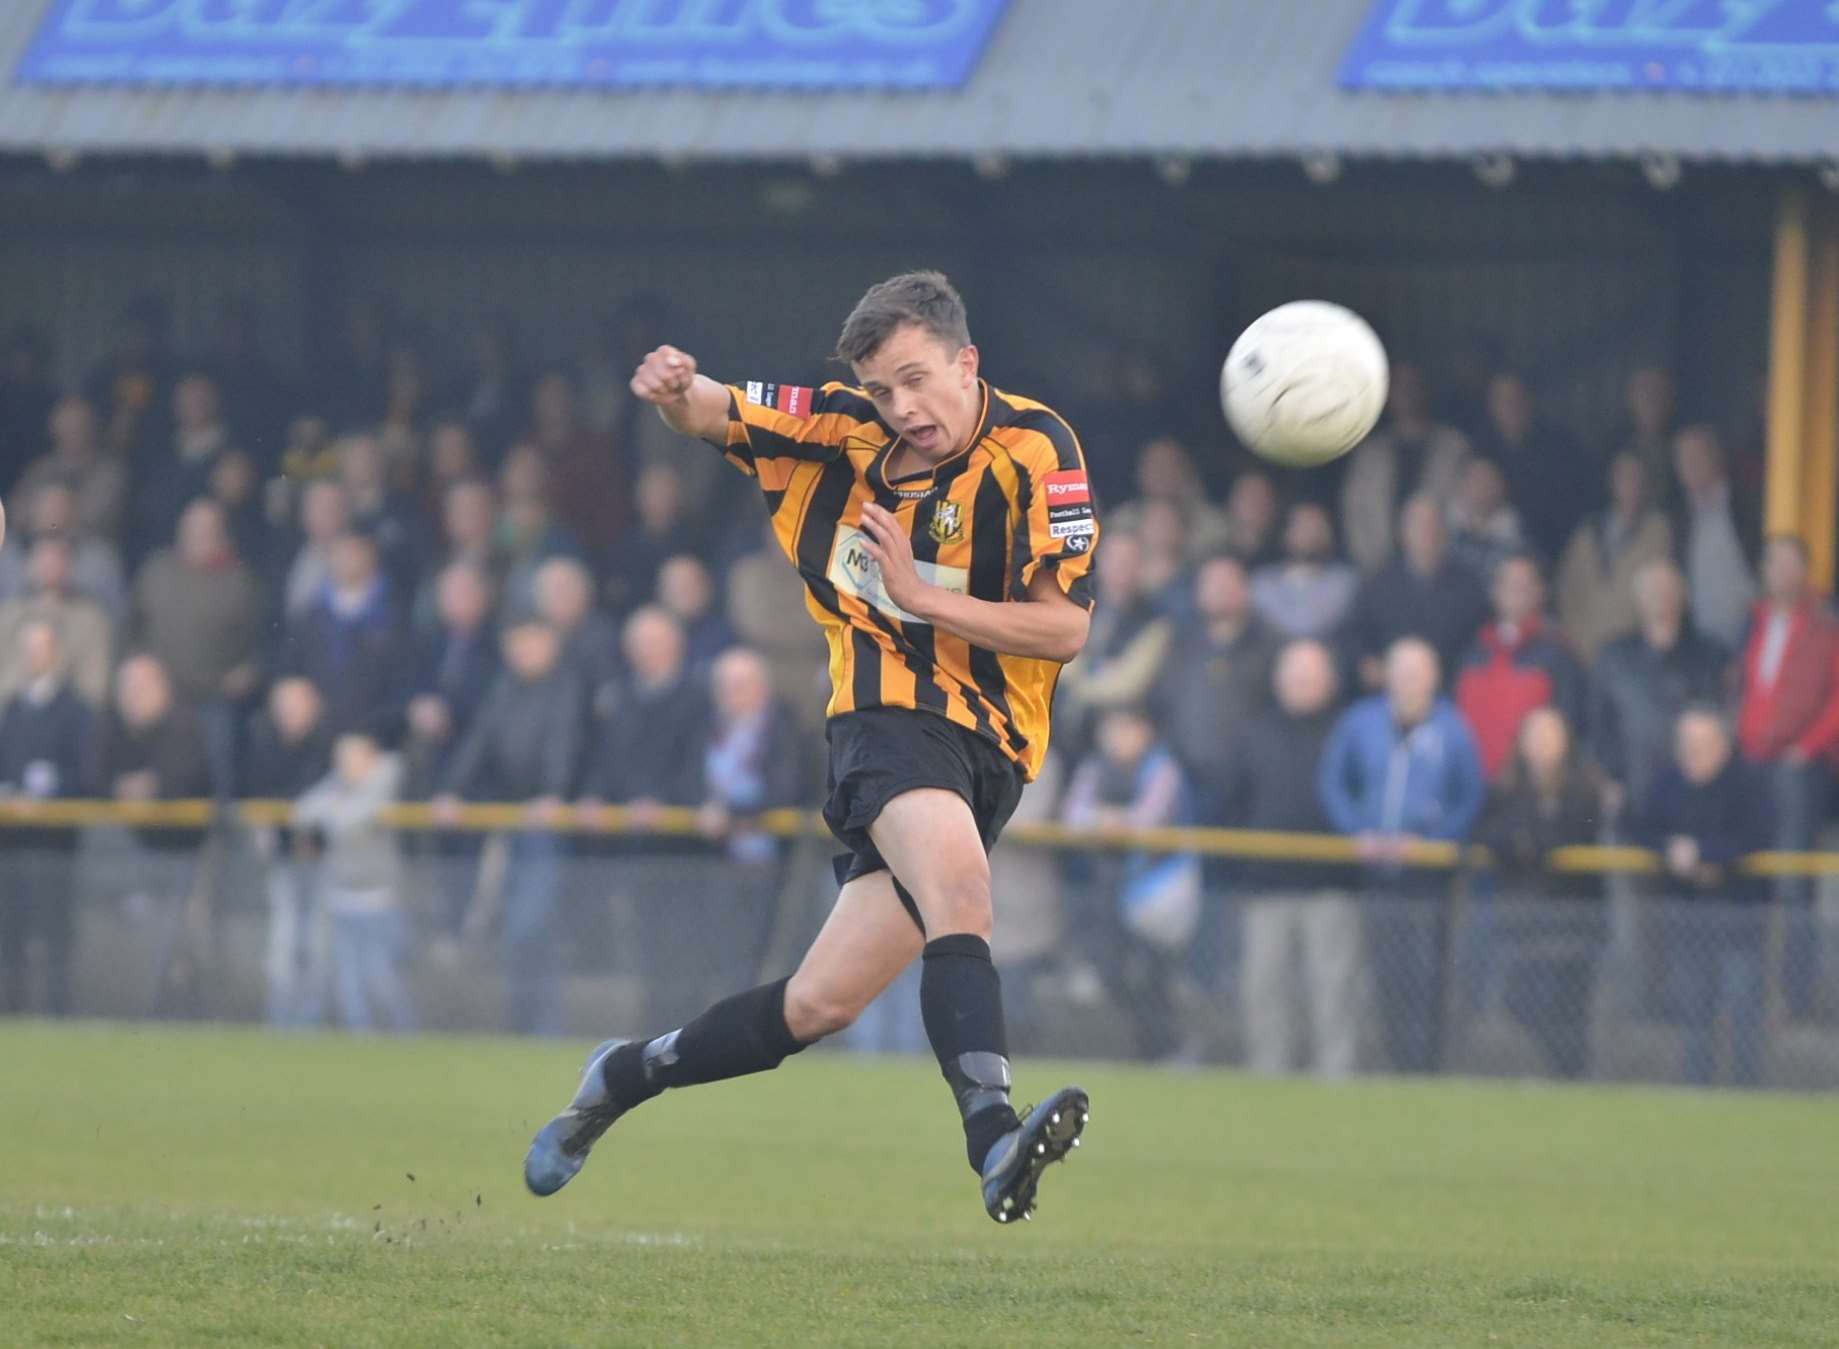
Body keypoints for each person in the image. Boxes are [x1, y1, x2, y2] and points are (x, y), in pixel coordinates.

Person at [524, 271, 1098, 1226]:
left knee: (817, 1005)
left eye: (917, 380)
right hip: (885, 722)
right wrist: (675, 392)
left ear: (968, 362)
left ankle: (623, 1075)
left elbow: (1063, 630)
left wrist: (924, 598)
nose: (901, 407)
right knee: (960, 889)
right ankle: (993, 1136)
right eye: (881, 390)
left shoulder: (1040, 449)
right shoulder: (838, 431)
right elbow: (716, 410)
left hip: (993, 747)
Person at [1319, 638, 1485, 1074]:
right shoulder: (1361, 723)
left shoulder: (1453, 729)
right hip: (1376, 875)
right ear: (1387, 675)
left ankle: (1428, 1065)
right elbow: (1335, 782)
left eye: (1418, 672)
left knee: (1429, 975)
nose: (1409, 682)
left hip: (1428, 877)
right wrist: (1358, 832)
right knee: (1385, 974)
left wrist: (1436, 841)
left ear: (1433, 677)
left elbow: (1469, 796)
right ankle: (1395, 1062)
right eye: (1402, 671)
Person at [436, 621, 585, 1038]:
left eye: (531, 642)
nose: (523, 652)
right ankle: (523, 1028)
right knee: (517, 931)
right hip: (510, 823)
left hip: (547, 826)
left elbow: (565, 741)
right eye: (515, 644)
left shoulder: (565, 687)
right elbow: (479, 742)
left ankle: (546, 1030)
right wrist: (451, 790)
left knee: (534, 924)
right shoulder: (503, 689)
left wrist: (554, 794)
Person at [1226, 640, 1358, 1077]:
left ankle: (1336, 1076)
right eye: (1294, 675)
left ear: (1329, 682)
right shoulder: (1255, 731)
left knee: (1332, 990)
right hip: (1266, 887)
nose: (1300, 684)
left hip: (1330, 887)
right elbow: (1234, 801)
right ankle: (1269, 1074)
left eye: (1310, 676)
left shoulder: (1347, 730)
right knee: (1264, 989)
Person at [1633, 709, 1772, 1086]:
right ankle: (1697, 1089)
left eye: (1703, 745)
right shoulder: (1668, 782)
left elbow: (1759, 837)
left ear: (1723, 746)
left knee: (1743, 1007)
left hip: (1741, 916)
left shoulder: (1749, 781)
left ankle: (1746, 1089)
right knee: (1695, 1009)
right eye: (1686, 745)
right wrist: (1672, 851)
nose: (1694, 753)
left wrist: (1709, 857)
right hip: (1689, 913)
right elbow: (1639, 827)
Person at [1734, 535, 1839, 1020]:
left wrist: (1807, 748)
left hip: (1798, 769)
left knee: (1794, 883)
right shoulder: (1750, 624)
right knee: (1748, 875)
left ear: (1806, 572)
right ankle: (1749, 996)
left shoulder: (1825, 629)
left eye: (1789, 564)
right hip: (1751, 764)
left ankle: (1797, 999)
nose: (1779, 572)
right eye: (1772, 562)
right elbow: (1738, 688)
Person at [1062, 705, 1202, 1062]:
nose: (1119, 738)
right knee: (1113, 972)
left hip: (1154, 891)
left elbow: (1150, 818)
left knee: (1155, 976)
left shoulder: (1161, 768)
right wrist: (1107, 820)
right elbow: (1073, 815)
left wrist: (1110, 821)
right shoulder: (1095, 768)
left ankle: (1170, 1049)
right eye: (1113, 729)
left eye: (1128, 729)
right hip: (1109, 891)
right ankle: (1143, 1050)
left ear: (1146, 732)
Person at [1476, 708, 1605, 1079]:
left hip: (1575, 913)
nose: (1542, 744)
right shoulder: (1506, 786)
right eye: (1535, 735)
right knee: (1519, 999)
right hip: (1524, 914)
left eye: (1550, 735)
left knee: (1571, 1004)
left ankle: (1572, 1076)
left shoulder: (1583, 787)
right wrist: (1522, 845)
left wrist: (1530, 844)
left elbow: (1576, 836)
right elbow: (1489, 834)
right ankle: (1558, 1065)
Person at [0, 622, 92, 1016]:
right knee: (11, 931)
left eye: (40, 648)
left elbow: (84, 770)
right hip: (14, 840)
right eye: (27, 649)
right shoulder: (14, 708)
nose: (32, 657)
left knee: (55, 931)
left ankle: (56, 1012)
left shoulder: (75, 710)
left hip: (55, 841)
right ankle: (13, 1010)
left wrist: (50, 794)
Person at [295, 730, 414, 1035]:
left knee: (380, 976)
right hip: (340, 894)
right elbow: (303, 809)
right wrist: (333, 802)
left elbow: (348, 820)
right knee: (348, 978)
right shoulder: (338, 786)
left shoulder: (386, 783)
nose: (344, 765)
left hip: (378, 898)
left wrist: (333, 809)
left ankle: (405, 1034)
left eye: (350, 758)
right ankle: (361, 1038)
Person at [1590, 560, 1728, 819]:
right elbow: (1599, 723)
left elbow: (1721, 715)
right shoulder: (1614, 656)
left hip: (1695, 787)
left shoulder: (1710, 654)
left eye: (1667, 588)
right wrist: (1610, 776)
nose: (1659, 595)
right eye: (1651, 588)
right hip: (1632, 786)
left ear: (1683, 594)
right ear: (1637, 597)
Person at [1151, 552, 1280, 826]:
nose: (1218, 590)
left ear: (1245, 589)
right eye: (1210, 582)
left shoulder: (1270, 646)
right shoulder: (1181, 644)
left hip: (1252, 790)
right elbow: (1163, 703)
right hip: (1186, 785)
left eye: (1226, 581)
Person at [243, 678, 335, 1028]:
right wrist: (266, 832)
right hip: (283, 858)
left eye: (296, 707)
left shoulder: (327, 744)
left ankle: (311, 1019)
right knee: (282, 939)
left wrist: (308, 837)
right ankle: (280, 1017)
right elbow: (257, 795)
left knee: (316, 941)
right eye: (283, 708)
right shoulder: (266, 743)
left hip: (319, 859)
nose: (289, 715)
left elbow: (327, 800)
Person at [1454, 553, 1587, 781]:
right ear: (1495, 592)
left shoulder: (1557, 654)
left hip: (1527, 791)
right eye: (1509, 584)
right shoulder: (1473, 651)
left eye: (1526, 585)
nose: (1517, 593)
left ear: (1540, 593)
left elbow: (1569, 725)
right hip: (1471, 785)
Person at [1345, 493, 1490, 691]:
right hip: (1388, 691)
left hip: (1449, 692)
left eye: (1432, 523)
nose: (1425, 530)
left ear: (1444, 530)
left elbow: (1481, 641)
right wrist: (1367, 663)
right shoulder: (1379, 583)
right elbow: (1354, 634)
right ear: (1402, 531)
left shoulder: (1469, 585)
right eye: (1417, 523)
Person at [1341, 362, 1471, 575]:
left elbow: (1466, 510)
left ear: (1425, 390)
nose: (1407, 394)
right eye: (1399, 387)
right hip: (1380, 566)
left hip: (1442, 568)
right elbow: (1354, 511)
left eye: (1413, 386)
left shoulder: (1454, 448)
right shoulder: (1369, 455)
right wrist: (1371, 564)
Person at [1055, 530, 1172, 760]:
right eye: (1114, 558)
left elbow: (1127, 684)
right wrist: (1096, 672)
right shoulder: (1076, 601)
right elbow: (1051, 659)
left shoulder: (1155, 620)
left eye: (1128, 560)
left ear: (1141, 566)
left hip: (1114, 742)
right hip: (1057, 730)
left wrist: (1078, 674)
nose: (1120, 567)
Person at [283, 529, 405, 741]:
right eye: (339, 553)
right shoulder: (314, 612)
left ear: (370, 555)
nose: (345, 560)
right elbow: (294, 665)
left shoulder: (393, 613)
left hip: (374, 731)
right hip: (316, 727)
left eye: (353, 553)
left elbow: (400, 679)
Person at [1554, 452, 1674, 665]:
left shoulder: (1659, 530)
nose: (1630, 484)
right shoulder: (1588, 533)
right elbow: (1567, 589)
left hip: (1636, 657)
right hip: (1585, 652)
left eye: (1637, 477)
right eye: (1624, 476)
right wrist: (1575, 637)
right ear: (1612, 482)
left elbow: (1664, 593)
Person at [1473, 372, 1585, 559]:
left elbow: (1572, 513)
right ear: (1491, 406)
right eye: (1503, 400)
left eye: (1516, 398)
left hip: (1552, 554)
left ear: (1529, 401)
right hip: (1494, 560)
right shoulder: (1481, 451)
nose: (1511, 406)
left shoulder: (1558, 447)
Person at [0, 536, 113, 710]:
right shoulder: (7, 617)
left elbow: (94, 688)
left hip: (68, 723)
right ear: (28, 563)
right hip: (10, 722)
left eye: (56, 558)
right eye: (41, 557)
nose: (48, 565)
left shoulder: (90, 621)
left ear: (69, 566)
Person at [1671, 425, 1757, 650]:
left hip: (1751, 639)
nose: (1690, 464)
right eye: (1682, 458)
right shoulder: (1679, 519)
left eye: (1697, 455)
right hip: (1702, 648)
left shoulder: (1748, 505)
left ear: (1716, 457)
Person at [12, 395, 126, 542]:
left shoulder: (108, 473)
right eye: (65, 426)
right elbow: (16, 510)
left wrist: (53, 518)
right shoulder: (40, 469)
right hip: (35, 545)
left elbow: (95, 519)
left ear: (91, 428)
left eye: (78, 426)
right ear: (54, 429)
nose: (71, 432)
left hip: (86, 548)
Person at [1250, 501, 1358, 641]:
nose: (1310, 535)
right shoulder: (1263, 582)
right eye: (1303, 526)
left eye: (1317, 527)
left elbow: (1311, 624)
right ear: (1287, 534)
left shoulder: (1344, 581)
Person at [1445, 455, 1526, 588]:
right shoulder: (1442, 532)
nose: (1481, 487)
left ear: (1501, 487)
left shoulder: (1517, 542)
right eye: (1475, 479)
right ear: (1461, 485)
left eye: (1488, 480)